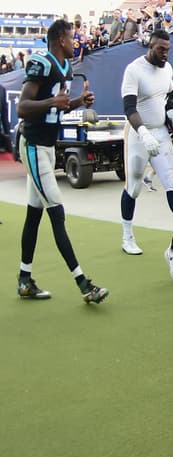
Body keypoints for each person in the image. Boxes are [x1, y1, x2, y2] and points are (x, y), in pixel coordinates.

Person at [15, 19, 107, 304]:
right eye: (72, 36)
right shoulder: (42, 63)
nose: (75, 40)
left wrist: (80, 101)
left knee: (34, 215)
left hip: (46, 147)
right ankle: (84, 284)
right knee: (56, 212)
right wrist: (49, 104)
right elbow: (22, 107)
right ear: (59, 40)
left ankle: (24, 280)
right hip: (32, 145)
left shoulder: (66, 66)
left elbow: (59, 104)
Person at [119, 29, 173, 257]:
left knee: (172, 183)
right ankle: (127, 236)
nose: (165, 54)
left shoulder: (167, 69)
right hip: (138, 134)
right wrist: (143, 132)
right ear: (150, 46)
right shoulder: (134, 70)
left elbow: (171, 94)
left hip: (160, 132)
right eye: (161, 50)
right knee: (134, 186)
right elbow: (129, 108)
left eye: (168, 50)